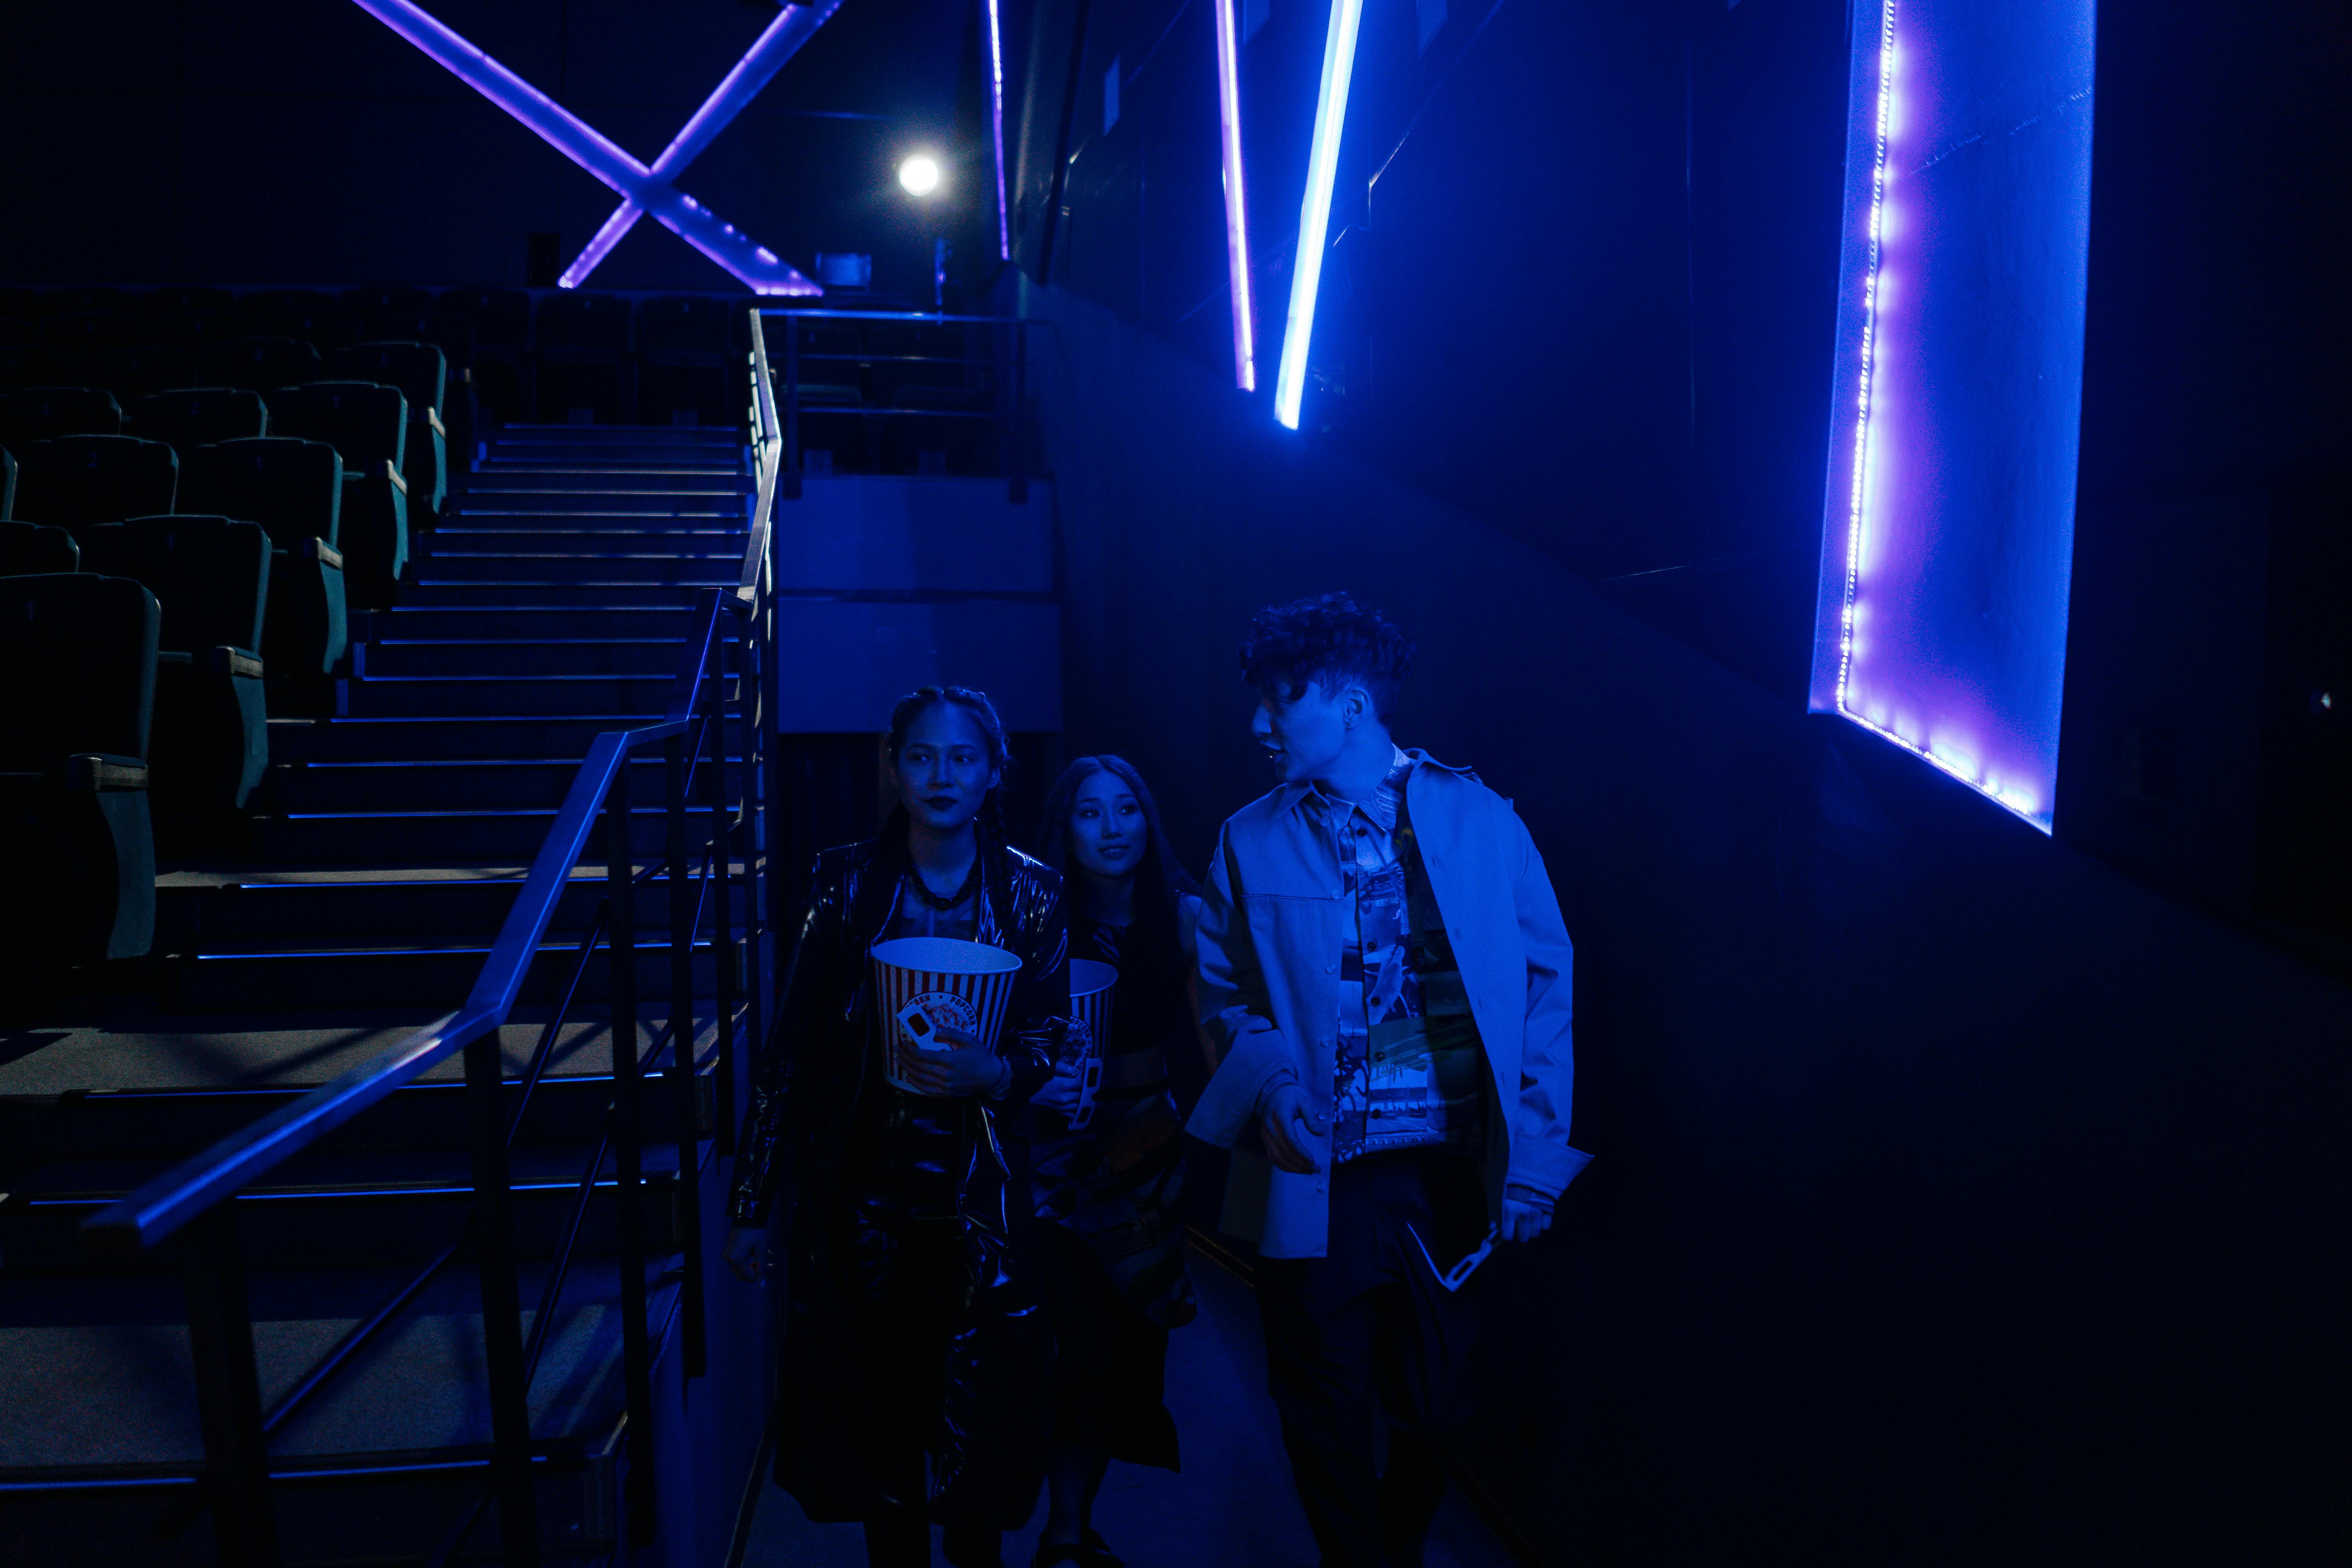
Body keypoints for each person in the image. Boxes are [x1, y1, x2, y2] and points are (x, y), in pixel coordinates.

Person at [1185, 593, 1591, 1568]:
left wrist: (1534, 1157)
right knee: (1320, 1406)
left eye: (1280, 700)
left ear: (1351, 702)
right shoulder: (1247, 838)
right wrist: (1275, 1085)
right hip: (1316, 1173)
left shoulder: (1482, 819)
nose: (1258, 723)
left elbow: (1546, 984)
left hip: (1445, 1175)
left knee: (1438, 1404)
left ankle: (1392, 1545)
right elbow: (1221, 991)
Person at [724, 685, 1075, 1568]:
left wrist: (994, 1072)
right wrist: (748, 1203)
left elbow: (1045, 1030)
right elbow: (789, 1050)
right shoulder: (842, 882)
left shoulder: (1034, 892)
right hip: (864, 1192)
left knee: (984, 1412)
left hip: (979, 1193)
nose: (941, 774)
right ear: (892, 767)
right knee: (876, 1422)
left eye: (963, 757)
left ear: (995, 771)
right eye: (921, 755)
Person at [1026, 756, 1206, 1568]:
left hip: (1147, 1146)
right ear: (1064, 826)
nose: (1112, 827)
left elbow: (1217, 1032)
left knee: (1123, 1342)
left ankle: (1072, 1522)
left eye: (1126, 808)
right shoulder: (1036, 914)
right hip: (1049, 1149)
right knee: (1061, 1340)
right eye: (1090, 812)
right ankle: (1061, 1531)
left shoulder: (1187, 912)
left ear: (1147, 819)